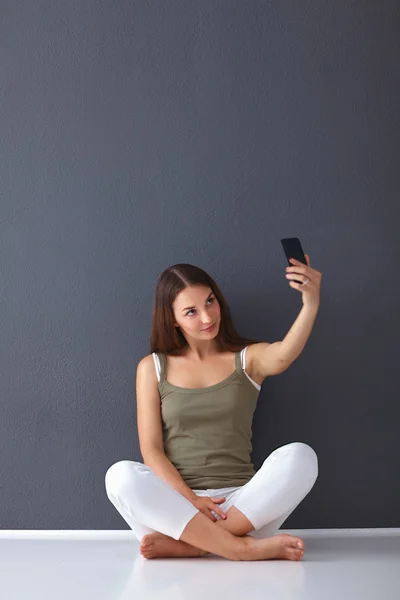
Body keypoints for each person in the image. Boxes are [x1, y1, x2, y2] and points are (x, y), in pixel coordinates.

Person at [105, 257, 322, 561]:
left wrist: (310, 302)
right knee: (119, 476)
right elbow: (151, 451)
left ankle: (194, 546)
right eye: (191, 311)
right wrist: (190, 499)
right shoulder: (151, 368)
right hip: (177, 506)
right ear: (173, 320)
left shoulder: (247, 358)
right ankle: (238, 547)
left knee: (302, 456)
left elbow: (284, 354)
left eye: (210, 302)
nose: (207, 317)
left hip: (243, 507)